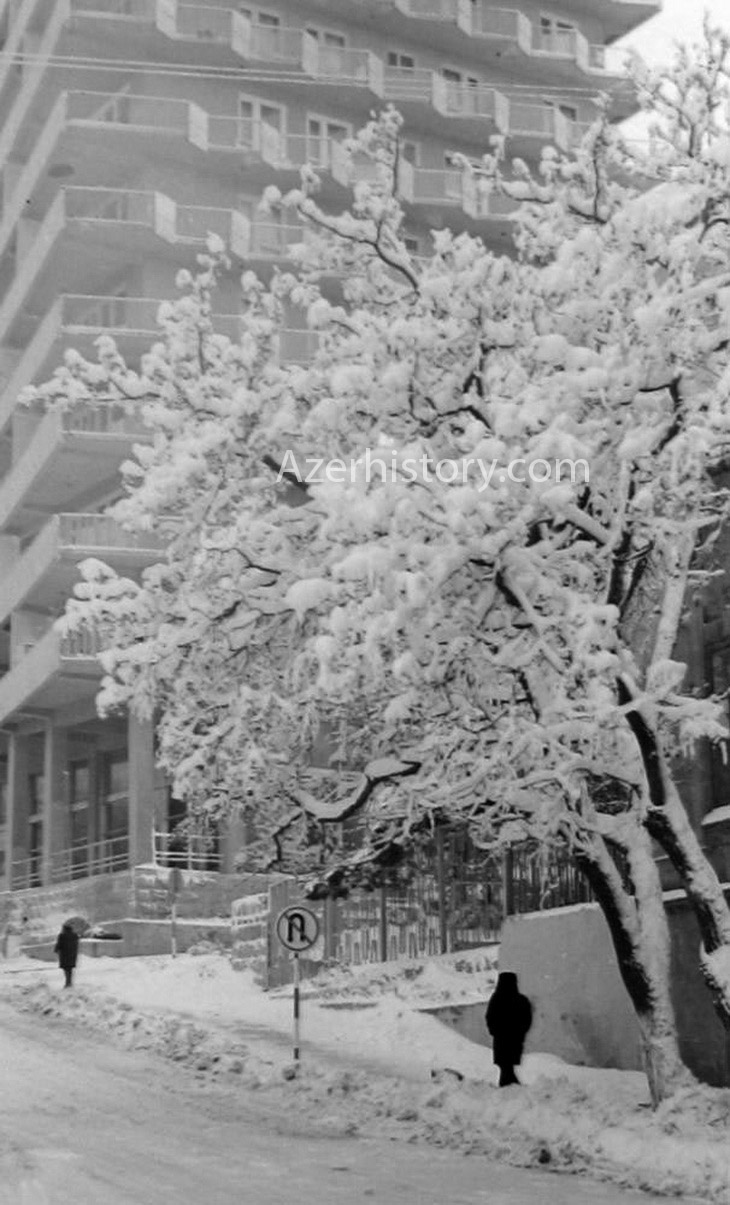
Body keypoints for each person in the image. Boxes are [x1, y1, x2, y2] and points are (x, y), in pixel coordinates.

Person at [485, 970, 533, 1087]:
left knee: (505, 1066)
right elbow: (527, 1019)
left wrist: (494, 1031)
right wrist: (520, 1032)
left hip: (501, 1039)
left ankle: (510, 1089)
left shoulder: (497, 999)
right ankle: (511, 1089)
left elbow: (489, 1016)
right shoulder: (521, 1000)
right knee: (507, 1066)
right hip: (514, 1039)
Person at [54, 922, 79, 989]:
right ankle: (69, 982)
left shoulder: (62, 935)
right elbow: (76, 944)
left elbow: (59, 944)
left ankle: (67, 983)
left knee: (66, 969)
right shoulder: (75, 935)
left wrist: (56, 950)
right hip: (72, 955)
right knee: (70, 969)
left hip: (64, 955)